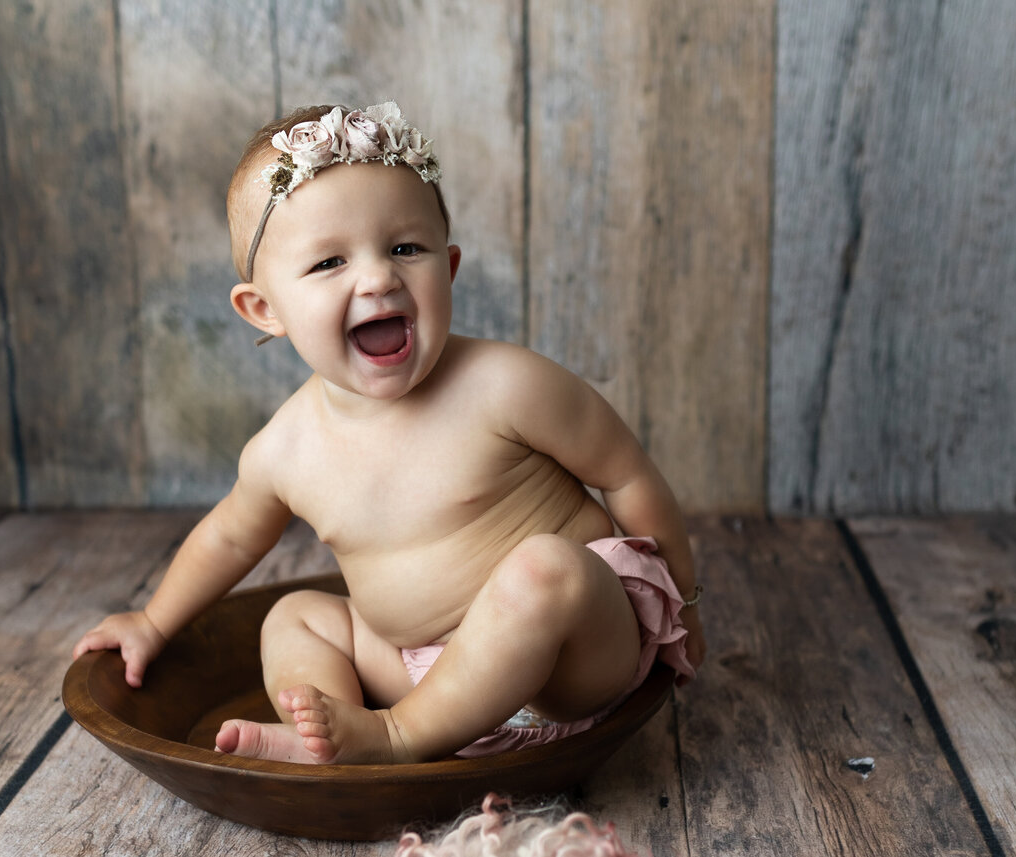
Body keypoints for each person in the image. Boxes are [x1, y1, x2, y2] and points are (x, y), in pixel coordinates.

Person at [73, 102, 706, 765]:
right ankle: (329, 734)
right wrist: (151, 621)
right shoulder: (284, 449)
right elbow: (230, 535)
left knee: (543, 568)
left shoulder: (506, 383)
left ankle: (395, 737)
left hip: (572, 664)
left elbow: (626, 473)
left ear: (450, 266)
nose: (378, 277)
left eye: (405, 247)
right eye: (328, 263)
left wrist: (684, 605)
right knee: (296, 617)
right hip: (423, 675)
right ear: (264, 309)